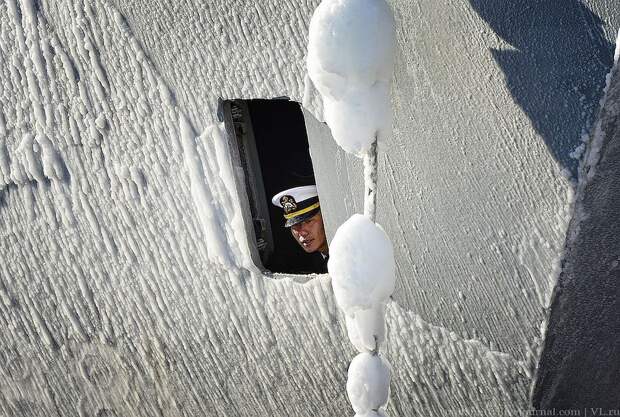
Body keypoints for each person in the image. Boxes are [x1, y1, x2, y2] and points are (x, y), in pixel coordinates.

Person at [271, 185, 329, 273]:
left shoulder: (348, 257)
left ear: (325, 218)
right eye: (295, 225)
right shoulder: (311, 262)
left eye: (309, 221)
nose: (302, 232)